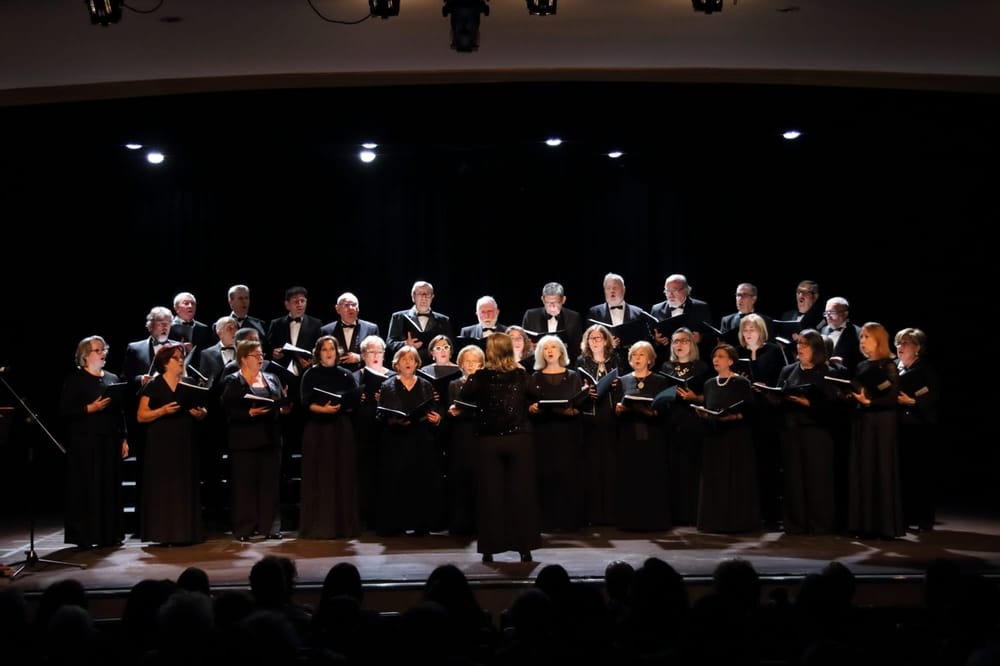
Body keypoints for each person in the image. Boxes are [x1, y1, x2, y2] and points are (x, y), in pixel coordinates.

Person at [458, 332, 540, 563]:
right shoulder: (521, 375)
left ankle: (489, 549)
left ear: (490, 351)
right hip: (519, 440)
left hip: (489, 442)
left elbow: (464, 395)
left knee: (490, 494)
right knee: (520, 494)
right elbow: (536, 395)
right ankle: (524, 549)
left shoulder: (481, 377)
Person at [58, 335, 129, 549]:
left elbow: (120, 412)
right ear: (85, 356)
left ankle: (110, 534)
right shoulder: (75, 380)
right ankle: (86, 535)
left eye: (104, 349)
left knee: (109, 487)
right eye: (98, 350)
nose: (103, 353)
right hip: (85, 443)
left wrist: (124, 438)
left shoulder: (112, 378)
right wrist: (90, 409)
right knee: (89, 487)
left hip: (109, 440)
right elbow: (64, 411)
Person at [135, 343, 208, 545]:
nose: (181, 360)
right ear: (166, 362)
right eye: (177, 357)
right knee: (163, 487)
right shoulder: (154, 385)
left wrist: (201, 414)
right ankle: (163, 533)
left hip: (185, 439)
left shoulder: (189, 382)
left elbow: (202, 409)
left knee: (184, 485)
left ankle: (185, 532)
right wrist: (162, 411)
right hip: (161, 442)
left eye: (182, 357)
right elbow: (141, 416)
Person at [219, 339, 291, 542]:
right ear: (243, 358)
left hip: (270, 438)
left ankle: (270, 527)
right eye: (256, 355)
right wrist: (248, 413)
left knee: (270, 485)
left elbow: (279, 401)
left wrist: (284, 407)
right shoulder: (234, 380)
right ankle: (245, 528)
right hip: (244, 441)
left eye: (261, 355)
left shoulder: (271, 378)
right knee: (245, 487)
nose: (261, 358)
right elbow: (227, 410)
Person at [771, 330, 842, 534]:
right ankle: (795, 524)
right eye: (799, 344)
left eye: (805, 345)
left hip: (817, 432)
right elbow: (779, 395)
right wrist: (774, 397)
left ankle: (820, 524)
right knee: (793, 479)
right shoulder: (788, 371)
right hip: (791, 431)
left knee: (818, 479)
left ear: (816, 349)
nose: (800, 348)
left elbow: (835, 408)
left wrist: (809, 403)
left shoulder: (828, 373)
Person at [375, 345, 445, 536]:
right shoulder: (388, 385)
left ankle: (421, 523)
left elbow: (435, 408)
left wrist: (437, 418)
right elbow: (380, 413)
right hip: (396, 439)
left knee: (420, 481)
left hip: (420, 439)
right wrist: (394, 419)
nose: (408, 362)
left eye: (411, 359)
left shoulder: (425, 384)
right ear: (396, 363)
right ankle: (396, 524)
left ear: (417, 364)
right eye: (404, 359)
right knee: (397, 480)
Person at [297, 335, 361, 539]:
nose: (329, 353)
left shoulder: (346, 375)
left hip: (340, 429)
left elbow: (353, 401)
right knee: (320, 477)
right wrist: (324, 410)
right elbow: (305, 403)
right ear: (318, 353)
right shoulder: (310, 374)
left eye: (331, 349)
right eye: (324, 350)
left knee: (342, 476)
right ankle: (319, 527)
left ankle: (344, 526)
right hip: (318, 429)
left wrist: (345, 405)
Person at [845, 322, 903, 539]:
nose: (862, 341)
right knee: (864, 468)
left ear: (878, 339)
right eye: (861, 338)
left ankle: (884, 526)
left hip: (881, 423)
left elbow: (891, 397)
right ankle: (864, 524)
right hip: (863, 421)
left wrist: (869, 403)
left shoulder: (888, 365)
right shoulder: (861, 366)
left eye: (866, 337)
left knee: (880, 469)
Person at [695, 343, 760, 534]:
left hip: (736, 438)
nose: (716, 359)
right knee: (716, 479)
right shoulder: (709, 384)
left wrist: (735, 417)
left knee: (735, 478)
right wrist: (704, 414)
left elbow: (751, 412)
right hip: (714, 437)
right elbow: (710, 406)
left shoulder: (741, 382)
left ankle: (737, 522)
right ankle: (714, 521)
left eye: (721, 356)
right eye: (715, 356)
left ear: (731, 361)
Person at [527, 334, 586, 532]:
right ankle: (546, 521)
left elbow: (580, 406)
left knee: (568, 476)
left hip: (567, 434)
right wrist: (532, 408)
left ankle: (569, 521)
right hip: (543, 434)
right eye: (546, 348)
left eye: (554, 346)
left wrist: (574, 410)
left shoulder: (573, 376)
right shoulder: (535, 377)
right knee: (545, 477)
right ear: (540, 353)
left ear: (561, 351)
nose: (550, 350)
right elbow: (529, 405)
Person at [614, 340, 671, 531]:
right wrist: (619, 409)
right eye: (634, 355)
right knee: (631, 479)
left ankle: (654, 521)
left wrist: (652, 412)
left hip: (652, 435)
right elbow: (616, 408)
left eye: (642, 355)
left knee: (652, 478)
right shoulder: (622, 381)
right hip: (629, 435)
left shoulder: (659, 381)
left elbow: (665, 408)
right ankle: (630, 522)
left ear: (650, 359)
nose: (637, 358)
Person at [738, 313, 787, 527]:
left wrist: (762, 385)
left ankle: (771, 515)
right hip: (746, 414)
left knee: (768, 466)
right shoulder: (739, 353)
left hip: (767, 414)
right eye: (745, 330)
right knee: (748, 465)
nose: (749, 334)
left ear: (761, 332)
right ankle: (749, 513)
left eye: (753, 330)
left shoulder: (773, 351)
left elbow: (782, 380)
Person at [660, 327, 713, 526]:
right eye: (675, 341)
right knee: (673, 467)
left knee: (693, 466)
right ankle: (675, 514)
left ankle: (693, 513)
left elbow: (709, 396)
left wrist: (695, 398)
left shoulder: (702, 368)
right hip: (672, 420)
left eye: (684, 341)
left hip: (693, 419)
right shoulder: (666, 366)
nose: (679, 345)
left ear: (692, 344)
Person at [575, 323, 625, 526]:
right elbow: (577, 389)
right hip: (591, 415)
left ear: (606, 340)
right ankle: (594, 514)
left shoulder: (616, 359)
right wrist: (587, 391)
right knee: (593, 465)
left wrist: (616, 385)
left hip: (612, 414)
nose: (594, 341)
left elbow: (625, 384)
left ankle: (612, 512)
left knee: (611, 464)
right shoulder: (582, 361)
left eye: (598, 338)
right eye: (591, 338)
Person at [895, 327, 941, 532]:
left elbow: (932, 396)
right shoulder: (896, 368)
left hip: (920, 429)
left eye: (905, 343)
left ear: (918, 348)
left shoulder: (925, 370)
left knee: (920, 475)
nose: (900, 347)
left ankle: (924, 518)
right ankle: (905, 516)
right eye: (898, 343)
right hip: (900, 428)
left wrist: (912, 401)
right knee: (903, 474)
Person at [352, 334, 396, 532]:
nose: (376, 355)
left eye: (380, 351)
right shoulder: (354, 377)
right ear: (363, 355)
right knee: (364, 475)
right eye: (372, 352)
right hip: (363, 431)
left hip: (387, 431)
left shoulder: (393, 376)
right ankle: (364, 517)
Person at [445, 344, 486, 536]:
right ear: (461, 363)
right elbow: (451, 409)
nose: (470, 365)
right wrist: (453, 412)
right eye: (467, 361)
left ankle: (480, 523)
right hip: (461, 435)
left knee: (480, 480)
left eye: (474, 362)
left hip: (479, 434)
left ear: (481, 364)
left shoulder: (485, 384)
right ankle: (461, 524)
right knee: (461, 479)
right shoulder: (454, 384)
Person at [386, 280, 454, 364]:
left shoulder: (444, 320)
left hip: (435, 368)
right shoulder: (398, 317)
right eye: (420, 294)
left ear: (432, 297)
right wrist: (405, 344)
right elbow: (390, 343)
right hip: (407, 365)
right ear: (413, 296)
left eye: (427, 294)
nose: (424, 298)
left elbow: (451, 346)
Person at [650, 273, 714, 360]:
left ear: (686, 290)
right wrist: (656, 340)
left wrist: (700, 338)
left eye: (674, 291)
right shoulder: (656, 309)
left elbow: (712, 335)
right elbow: (650, 336)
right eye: (667, 291)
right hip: (665, 361)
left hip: (694, 360)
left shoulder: (701, 307)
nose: (670, 295)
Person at [266, 285, 324, 379]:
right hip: (282, 374)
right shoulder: (276, 324)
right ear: (287, 305)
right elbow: (268, 348)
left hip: (307, 374)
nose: (299, 304)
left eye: (302, 301)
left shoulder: (316, 324)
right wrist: (273, 353)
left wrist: (313, 360)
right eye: (296, 301)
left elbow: (320, 349)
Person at [318, 291, 381, 374]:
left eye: (354, 304)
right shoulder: (326, 330)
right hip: (335, 376)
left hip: (363, 377)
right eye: (346, 305)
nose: (351, 308)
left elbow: (380, 354)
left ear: (358, 308)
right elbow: (320, 356)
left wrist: (360, 358)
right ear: (337, 309)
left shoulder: (371, 329)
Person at [586, 272, 650, 350]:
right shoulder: (595, 313)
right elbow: (588, 340)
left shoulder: (638, 313)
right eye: (608, 288)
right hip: (605, 358)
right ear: (604, 291)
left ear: (623, 290)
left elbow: (646, 340)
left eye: (615, 287)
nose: (612, 291)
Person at [521, 281, 584, 352]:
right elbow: (523, 344)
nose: (552, 307)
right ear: (542, 299)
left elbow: (576, 348)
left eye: (556, 302)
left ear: (563, 300)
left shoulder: (573, 317)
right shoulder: (531, 315)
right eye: (548, 303)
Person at [819, 296, 862, 377]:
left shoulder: (858, 332)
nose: (828, 316)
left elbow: (860, 362)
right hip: (825, 377)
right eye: (826, 313)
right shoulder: (823, 330)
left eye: (832, 313)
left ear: (845, 314)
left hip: (846, 379)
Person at [170, 291, 214, 365]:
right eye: (186, 303)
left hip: (197, 370)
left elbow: (207, 353)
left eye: (193, 304)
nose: (190, 306)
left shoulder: (204, 329)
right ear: (176, 308)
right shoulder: (168, 328)